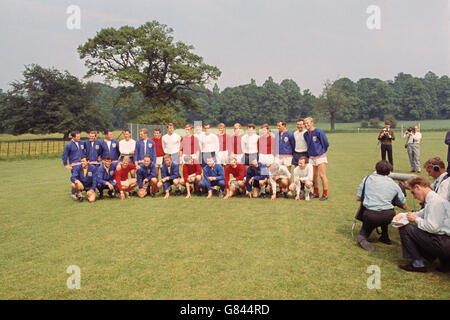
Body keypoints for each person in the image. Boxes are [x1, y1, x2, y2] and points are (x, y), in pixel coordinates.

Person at [394, 177, 450, 273]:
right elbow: (420, 213)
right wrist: (403, 215)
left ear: (418, 187)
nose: (414, 197)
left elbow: (432, 227)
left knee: (405, 228)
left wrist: (416, 220)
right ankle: (445, 264)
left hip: (444, 243)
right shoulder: (434, 199)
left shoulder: (434, 202)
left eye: (413, 193)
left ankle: (418, 264)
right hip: (445, 242)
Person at [355, 160, 407, 251]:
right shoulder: (394, 184)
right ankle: (385, 236)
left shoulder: (367, 178)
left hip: (370, 215)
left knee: (364, 232)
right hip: (388, 216)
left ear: (376, 169)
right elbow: (404, 205)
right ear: (389, 172)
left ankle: (362, 238)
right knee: (385, 209)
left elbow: (358, 198)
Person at [304, 117, 329, 201]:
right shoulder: (306, 134)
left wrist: (321, 152)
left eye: (308, 123)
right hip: (311, 157)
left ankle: (325, 194)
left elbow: (326, 143)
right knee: (314, 176)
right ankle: (316, 193)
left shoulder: (318, 131)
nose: (306, 125)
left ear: (312, 123)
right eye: (305, 123)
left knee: (322, 175)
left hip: (320, 157)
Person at [62, 130, 85, 200]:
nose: (79, 138)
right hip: (74, 165)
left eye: (79, 136)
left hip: (82, 164)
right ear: (73, 137)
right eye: (77, 137)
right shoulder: (68, 145)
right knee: (75, 179)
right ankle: (73, 193)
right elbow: (64, 155)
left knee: (81, 178)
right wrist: (66, 164)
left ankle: (79, 192)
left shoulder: (82, 143)